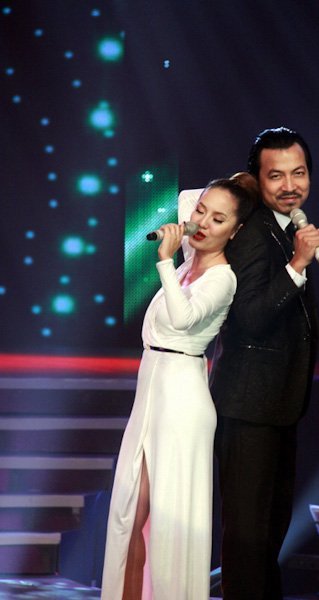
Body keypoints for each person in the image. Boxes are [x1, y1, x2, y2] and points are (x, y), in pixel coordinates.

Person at [101, 176, 256, 600]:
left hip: (182, 402)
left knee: (166, 523)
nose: (203, 222)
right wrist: (228, 192)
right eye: (201, 211)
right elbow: (190, 198)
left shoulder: (222, 278)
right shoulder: (190, 259)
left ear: (236, 231)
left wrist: (165, 263)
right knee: (129, 516)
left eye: (219, 219)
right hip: (151, 392)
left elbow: (184, 319)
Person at [209, 126, 319, 599]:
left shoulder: (286, 229)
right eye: (276, 175)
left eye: (298, 173)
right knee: (247, 536)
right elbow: (251, 318)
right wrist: (297, 265)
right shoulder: (254, 234)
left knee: (269, 533)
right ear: (258, 180)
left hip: (278, 404)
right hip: (248, 406)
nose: (290, 185)